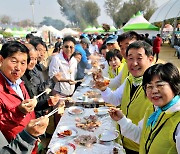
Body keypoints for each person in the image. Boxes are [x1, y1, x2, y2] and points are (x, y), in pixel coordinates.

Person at [94, 41, 154, 153]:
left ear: (150, 59)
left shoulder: (153, 86)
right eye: (130, 58)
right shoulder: (130, 79)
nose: (134, 63)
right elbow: (115, 98)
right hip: (124, 138)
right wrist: (103, 89)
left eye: (139, 58)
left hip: (140, 145)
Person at [109, 62, 180, 153]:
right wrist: (121, 119)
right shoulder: (154, 109)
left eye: (160, 85)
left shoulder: (178, 121)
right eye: (149, 86)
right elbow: (141, 136)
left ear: (174, 85)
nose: (154, 90)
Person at [0, 41, 37, 142]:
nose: (18, 68)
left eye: (23, 63)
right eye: (14, 61)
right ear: (1, 59)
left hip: (29, 141)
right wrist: (19, 111)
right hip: (14, 146)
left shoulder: (19, 82)